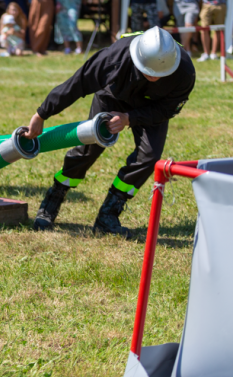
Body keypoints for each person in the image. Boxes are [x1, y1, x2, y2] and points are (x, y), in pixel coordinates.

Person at [25, 26, 195, 238]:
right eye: (147, 72)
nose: (153, 77)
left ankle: (108, 215)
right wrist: (41, 114)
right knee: (89, 149)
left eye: (159, 74)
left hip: (151, 107)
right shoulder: (113, 57)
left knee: (149, 157)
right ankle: (54, 197)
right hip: (113, 96)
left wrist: (129, 118)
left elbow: (167, 109)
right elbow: (77, 83)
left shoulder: (184, 72)